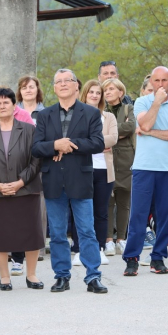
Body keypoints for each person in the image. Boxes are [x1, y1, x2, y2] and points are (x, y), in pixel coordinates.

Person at [32, 68, 108, 294]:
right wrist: (55, 145)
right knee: (56, 233)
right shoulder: (44, 115)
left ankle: (93, 276)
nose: (63, 84)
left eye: (68, 80)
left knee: (86, 231)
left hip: (81, 179)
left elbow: (97, 143)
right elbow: (36, 148)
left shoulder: (91, 113)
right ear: (54, 88)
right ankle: (62, 276)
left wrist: (68, 144)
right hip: (54, 180)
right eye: (59, 81)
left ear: (77, 86)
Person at [0, 87, 44, 291]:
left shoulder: (29, 129)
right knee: (0, 235)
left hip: (25, 189)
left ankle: (31, 275)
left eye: (6, 102)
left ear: (15, 106)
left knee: (31, 233)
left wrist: (20, 182)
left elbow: (36, 159)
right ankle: (4, 277)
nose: (2, 106)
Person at [123, 66, 168, 276]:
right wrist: (157, 102)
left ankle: (158, 258)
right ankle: (132, 258)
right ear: (151, 83)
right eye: (156, 80)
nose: (160, 84)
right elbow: (145, 123)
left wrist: (150, 132)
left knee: (166, 215)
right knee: (138, 214)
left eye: (163, 80)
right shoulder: (142, 102)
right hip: (143, 167)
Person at [71, 80, 118, 265]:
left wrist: (89, 143)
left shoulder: (109, 118)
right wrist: (97, 144)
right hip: (82, 170)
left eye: (98, 93)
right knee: (80, 211)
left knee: (101, 212)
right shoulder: (76, 116)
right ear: (85, 93)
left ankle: (98, 249)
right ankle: (79, 249)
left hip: (104, 171)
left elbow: (113, 138)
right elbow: (74, 140)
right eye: (91, 92)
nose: (95, 95)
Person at [102, 78, 135, 255]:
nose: (107, 92)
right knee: (108, 199)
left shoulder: (129, 108)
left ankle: (121, 238)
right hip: (106, 156)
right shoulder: (101, 111)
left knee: (124, 200)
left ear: (120, 92)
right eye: (105, 90)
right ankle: (108, 240)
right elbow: (98, 132)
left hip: (125, 159)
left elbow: (131, 127)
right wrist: (115, 133)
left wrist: (112, 132)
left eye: (111, 89)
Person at [16, 75, 47, 261]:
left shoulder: (45, 113)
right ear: (19, 91)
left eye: (31, 87)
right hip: (16, 165)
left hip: (40, 164)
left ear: (38, 90)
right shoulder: (12, 112)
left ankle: (39, 248)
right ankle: (17, 249)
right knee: (17, 207)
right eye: (24, 87)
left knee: (39, 207)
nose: (28, 90)